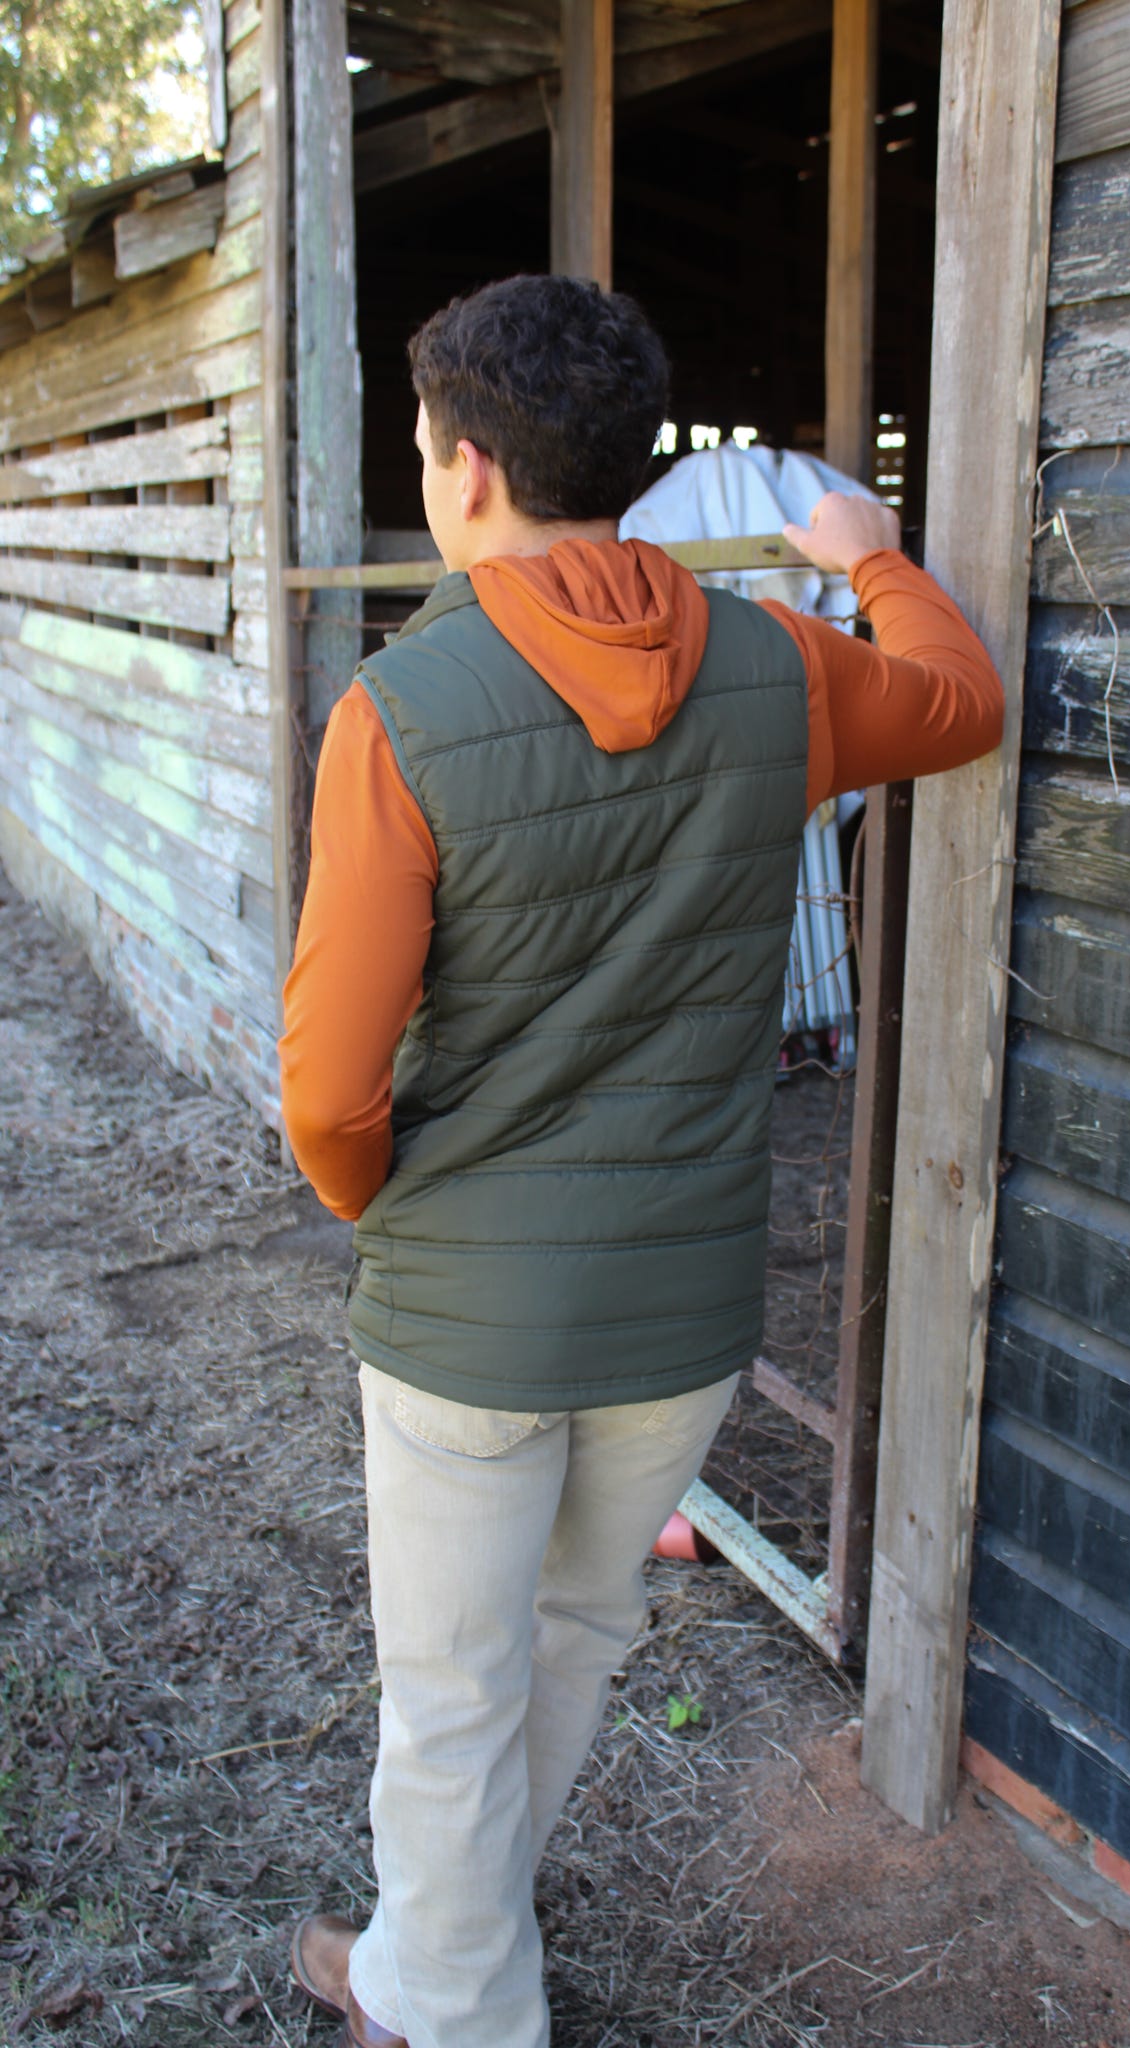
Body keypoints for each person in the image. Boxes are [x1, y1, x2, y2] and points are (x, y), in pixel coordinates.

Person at [278, 273, 1003, 2048]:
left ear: (459, 472)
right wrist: (868, 548)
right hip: (682, 1312)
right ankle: (423, 1960)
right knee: (573, 1640)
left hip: (469, 1316)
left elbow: (325, 1093)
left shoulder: (404, 710)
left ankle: (449, 2015)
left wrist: (404, 1217)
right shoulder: (776, 666)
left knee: (448, 1691)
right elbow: (961, 699)